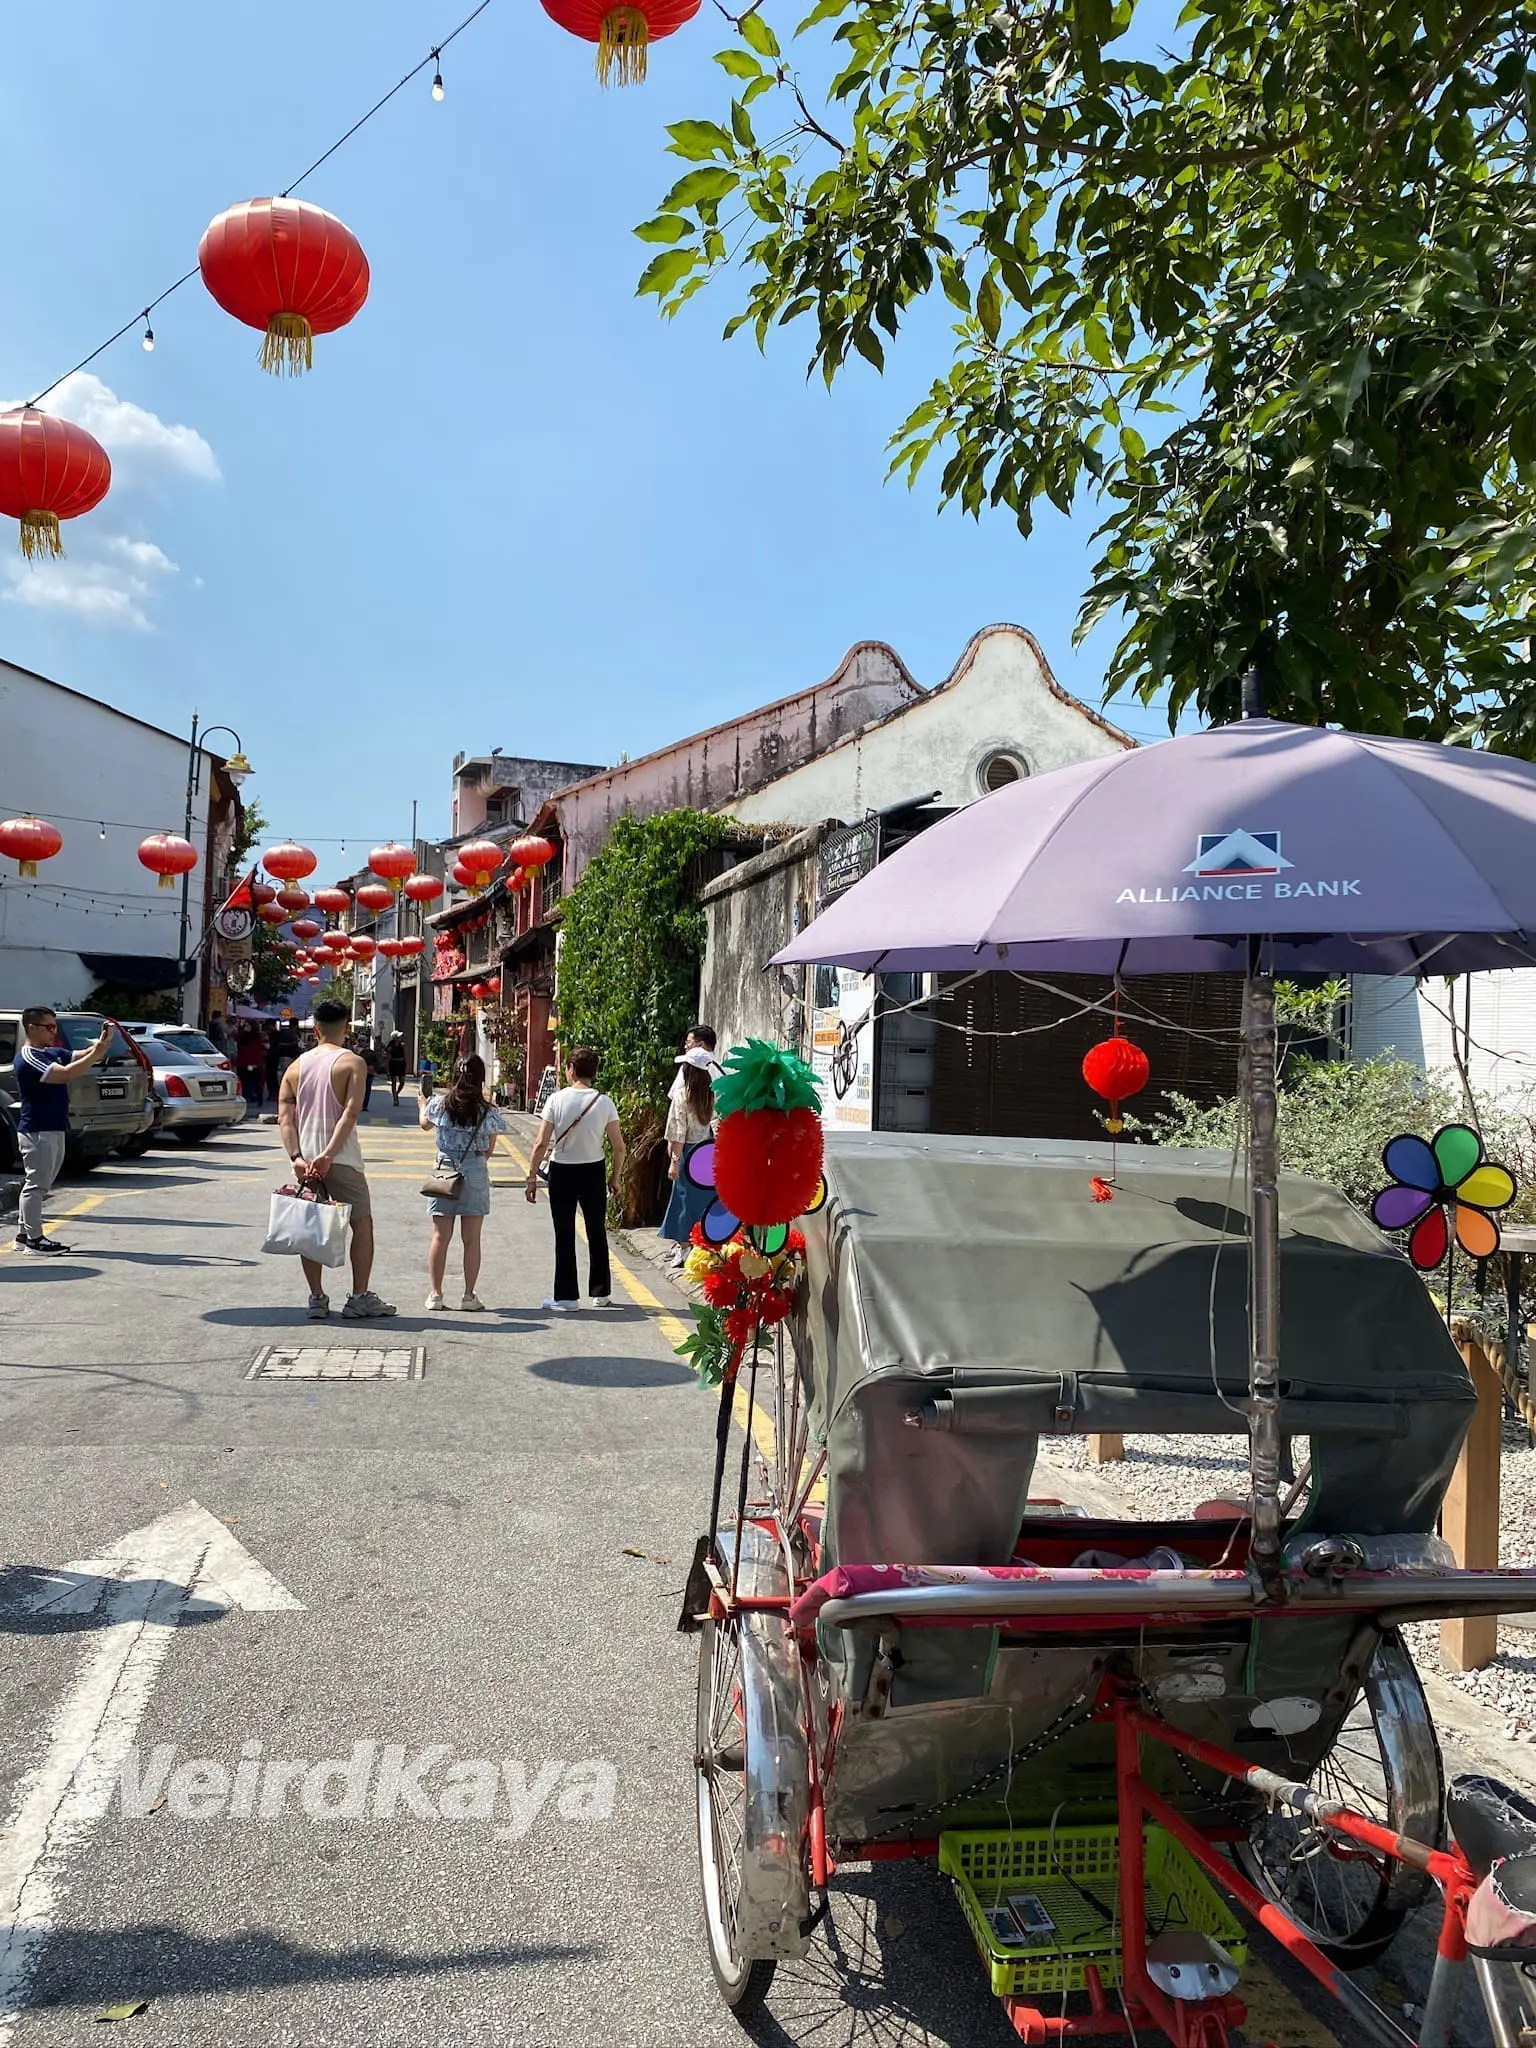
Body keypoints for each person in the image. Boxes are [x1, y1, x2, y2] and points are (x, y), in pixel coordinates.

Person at [276, 998, 395, 1321]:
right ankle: (359, 1297)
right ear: (345, 1028)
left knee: (310, 1228)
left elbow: (285, 1120)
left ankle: (316, 1297)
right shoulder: (351, 1063)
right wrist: (329, 1154)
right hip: (340, 1159)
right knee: (362, 1224)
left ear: (315, 1029)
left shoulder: (295, 1067)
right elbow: (351, 1113)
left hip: (305, 1161)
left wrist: (298, 1157)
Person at [524, 1047, 626, 1313]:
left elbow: (540, 1142)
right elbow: (619, 1147)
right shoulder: (604, 1102)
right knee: (596, 1231)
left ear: (570, 1069)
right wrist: (614, 1177)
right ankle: (601, 1293)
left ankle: (567, 1297)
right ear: (594, 1072)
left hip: (563, 1171)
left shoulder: (556, 1100)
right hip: (594, 1170)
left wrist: (531, 1176)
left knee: (565, 1234)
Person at [11, 1008, 113, 1255]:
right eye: (49, 1027)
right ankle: (34, 1240)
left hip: (53, 1128)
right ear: (31, 1027)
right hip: (37, 1129)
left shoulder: (50, 1052)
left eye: (55, 1026)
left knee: (40, 1184)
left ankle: (25, 1235)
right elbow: (67, 1074)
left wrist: (101, 1044)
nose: (53, 1032)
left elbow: (79, 1055)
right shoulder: (28, 1057)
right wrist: (97, 1053)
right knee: (36, 1185)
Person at [418, 1054, 507, 1311]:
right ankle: (469, 1296)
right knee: (471, 1239)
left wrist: (421, 1105)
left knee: (440, 1236)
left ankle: (435, 1295)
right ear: (481, 1079)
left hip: (445, 1170)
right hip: (475, 1170)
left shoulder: (439, 1104)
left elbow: (425, 1124)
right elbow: (489, 1149)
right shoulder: (488, 1111)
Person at [659, 1046, 718, 1267]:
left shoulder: (682, 1096)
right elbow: (717, 1126)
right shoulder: (712, 1094)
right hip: (707, 1152)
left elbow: (678, 1132)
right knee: (705, 1200)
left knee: (683, 1201)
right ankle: (704, 1246)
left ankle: (684, 1248)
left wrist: (674, 1161)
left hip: (687, 1153)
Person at [235, 1024, 267, 1112]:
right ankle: (259, 1100)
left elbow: (235, 1037)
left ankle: (245, 1099)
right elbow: (265, 1047)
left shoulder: (241, 1037)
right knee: (257, 1082)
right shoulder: (258, 1037)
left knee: (244, 1083)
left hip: (242, 1062)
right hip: (255, 1063)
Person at [386, 1032, 408, 1107]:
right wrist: (387, 1069)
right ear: (395, 1038)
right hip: (393, 1063)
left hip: (401, 1063)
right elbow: (388, 1057)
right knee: (394, 1081)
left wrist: (405, 1065)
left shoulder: (402, 1045)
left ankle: (396, 1094)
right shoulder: (390, 1046)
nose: (400, 1038)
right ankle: (395, 1098)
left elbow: (405, 1055)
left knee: (402, 1082)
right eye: (398, 1037)